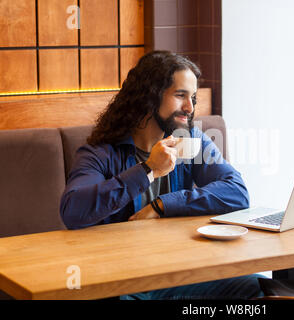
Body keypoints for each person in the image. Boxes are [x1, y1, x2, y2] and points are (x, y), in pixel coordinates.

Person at [59, 50, 265, 300]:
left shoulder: (191, 141)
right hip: (123, 281)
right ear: (149, 96)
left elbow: (237, 193)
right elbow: (73, 212)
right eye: (180, 96)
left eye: (193, 98)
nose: (189, 108)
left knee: (261, 287)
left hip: (183, 273)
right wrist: (148, 170)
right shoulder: (101, 153)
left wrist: (162, 204)